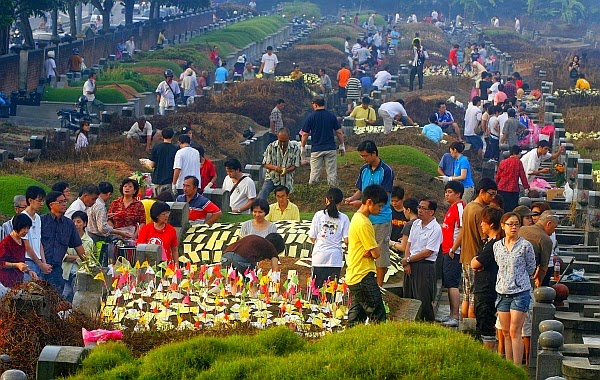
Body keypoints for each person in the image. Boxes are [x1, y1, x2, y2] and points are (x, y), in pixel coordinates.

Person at [344, 140, 395, 286]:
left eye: (366, 156)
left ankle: (379, 285)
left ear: (374, 153)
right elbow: (361, 190)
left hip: (381, 217)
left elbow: (383, 196)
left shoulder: (386, 171)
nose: (364, 159)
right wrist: (352, 198)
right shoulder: (364, 170)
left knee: (379, 251)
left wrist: (361, 203)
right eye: (362, 156)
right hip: (366, 216)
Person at [494, 212, 536, 366]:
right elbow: (498, 264)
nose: (513, 227)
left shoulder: (526, 246)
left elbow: (531, 268)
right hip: (502, 291)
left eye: (516, 224)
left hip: (520, 292)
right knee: (505, 333)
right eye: (510, 224)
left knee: (515, 331)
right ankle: (508, 366)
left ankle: (517, 367)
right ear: (503, 226)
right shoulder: (497, 246)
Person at [346, 184, 388, 326]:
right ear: (369, 202)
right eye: (379, 206)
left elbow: (371, 252)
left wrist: (370, 252)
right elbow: (376, 253)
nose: (380, 209)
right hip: (363, 276)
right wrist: (372, 252)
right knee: (379, 316)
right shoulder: (364, 223)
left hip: (355, 275)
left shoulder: (357, 218)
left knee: (356, 319)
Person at [456, 178, 498, 318]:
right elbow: (484, 238)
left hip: (465, 257)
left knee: (466, 296)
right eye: (491, 194)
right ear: (481, 192)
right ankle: (472, 329)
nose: (493, 198)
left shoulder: (468, 206)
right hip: (476, 259)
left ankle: (464, 327)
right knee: (475, 297)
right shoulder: (482, 212)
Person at [401, 198, 443, 322]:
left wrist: (408, 259)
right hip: (410, 263)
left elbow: (428, 252)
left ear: (431, 212)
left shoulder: (435, 229)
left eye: (423, 208)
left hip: (424, 266)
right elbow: (409, 244)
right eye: (419, 207)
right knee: (408, 296)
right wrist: (407, 262)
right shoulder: (415, 224)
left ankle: (428, 324)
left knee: (423, 298)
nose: (419, 211)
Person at [41, 191, 86, 293]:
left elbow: (78, 246)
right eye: (60, 202)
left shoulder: (69, 224)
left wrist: (88, 264)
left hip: (56, 268)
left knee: (56, 296)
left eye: (65, 201)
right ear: (51, 205)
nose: (64, 204)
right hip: (40, 266)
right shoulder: (41, 221)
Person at [471, 206, 503, 349]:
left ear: (491, 224)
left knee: (486, 325)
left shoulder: (494, 244)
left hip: (487, 289)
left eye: (483, 221)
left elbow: (476, 263)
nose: (481, 224)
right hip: (481, 288)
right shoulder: (487, 242)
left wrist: (476, 261)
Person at [309, 188, 349, 287]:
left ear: (326, 200)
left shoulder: (318, 215)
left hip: (319, 257)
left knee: (316, 290)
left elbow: (312, 237)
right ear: (341, 202)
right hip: (335, 259)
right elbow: (347, 240)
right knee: (331, 291)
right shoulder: (344, 218)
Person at [300, 97, 345, 186]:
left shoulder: (311, 117)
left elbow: (305, 134)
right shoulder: (331, 116)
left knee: (314, 174)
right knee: (332, 174)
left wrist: (303, 147)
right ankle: (332, 193)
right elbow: (339, 132)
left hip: (316, 149)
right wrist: (342, 145)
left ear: (315, 104)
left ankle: (312, 192)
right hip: (330, 148)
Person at [440, 181, 466, 327]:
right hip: (447, 250)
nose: (447, 194)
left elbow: (462, 229)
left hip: (453, 252)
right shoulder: (452, 207)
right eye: (446, 192)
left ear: (458, 193)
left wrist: (453, 248)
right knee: (449, 283)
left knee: (452, 284)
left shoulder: (460, 207)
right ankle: (451, 314)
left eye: (450, 192)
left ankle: (455, 316)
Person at [61, 211, 94, 302]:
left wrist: (70, 257)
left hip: (79, 274)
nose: (75, 224)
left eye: (79, 222)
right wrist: (76, 257)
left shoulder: (88, 241)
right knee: (62, 296)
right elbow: (62, 255)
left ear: (85, 224)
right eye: (74, 222)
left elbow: (86, 258)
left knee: (77, 298)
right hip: (65, 273)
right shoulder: (66, 237)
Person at [518, 211, 558, 288]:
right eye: (555, 227)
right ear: (548, 224)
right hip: (525, 276)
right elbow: (543, 267)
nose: (554, 231)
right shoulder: (546, 240)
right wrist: (538, 284)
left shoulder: (522, 229)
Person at [258, 128, 300, 200]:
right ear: (278, 137)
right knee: (262, 195)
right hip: (272, 177)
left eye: (285, 141)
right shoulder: (271, 147)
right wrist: (275, 168)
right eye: (281, 141)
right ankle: (260, 209)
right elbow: (265, 164)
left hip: (287, 179)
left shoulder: (295, 148)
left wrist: (286, 170)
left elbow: (295, 165)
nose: (283, 143)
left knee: (285, 200)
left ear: (289, 138)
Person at [20, 187, 51, 281]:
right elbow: (26, 245)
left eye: (43, 201)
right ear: (30, 200)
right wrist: (41, 264)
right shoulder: (22, 217)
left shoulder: (38, 218)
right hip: (27, 260)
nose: (42, 204)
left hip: (38, 261)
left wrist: (44, 262)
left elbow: (39, 241)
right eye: (39, 201)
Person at [0, 214, 35, 289]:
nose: (26, 231)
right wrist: (16, 265)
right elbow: (1, 262)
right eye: (23, 228)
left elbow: (20, 262)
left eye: (28, 228)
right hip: (6, 283)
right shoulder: (6, 242)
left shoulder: (21, 241)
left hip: (18, 282)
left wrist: (29, 271)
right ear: (16, 227)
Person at [496, 145, 530, 213]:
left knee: (502, 207)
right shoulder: (518, 162)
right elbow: (522, 176)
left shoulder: (503, 162)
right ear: (515, 153)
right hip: (513, 189)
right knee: (512, 209)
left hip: (502, 188)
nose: (520, 155)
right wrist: (527, 187)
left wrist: (496, 186)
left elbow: (498, 176)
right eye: (519, 153)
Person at [148, 128, 178, 196]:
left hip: (157, 180)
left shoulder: (156, 147)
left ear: (162, 136)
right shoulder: (176, 149)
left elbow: (152, 165)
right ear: (172, 136)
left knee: (157, 203)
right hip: (169, 181)